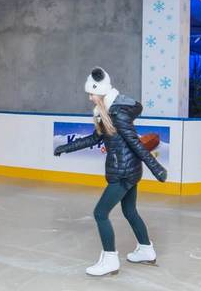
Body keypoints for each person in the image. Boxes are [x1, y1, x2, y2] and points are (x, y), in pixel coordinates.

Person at [54, 67, 167, 276]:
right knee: (130, 210)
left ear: (103, 91)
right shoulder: (104, 113)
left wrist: (157, 168)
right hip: (129, 170)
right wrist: (65, 147)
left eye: (92, 93)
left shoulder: (117, 114)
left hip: (123, 172)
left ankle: (110, 260)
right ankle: (146, 250)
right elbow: (95, 138)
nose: (90, 98)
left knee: (100, 213)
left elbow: (136, 143)